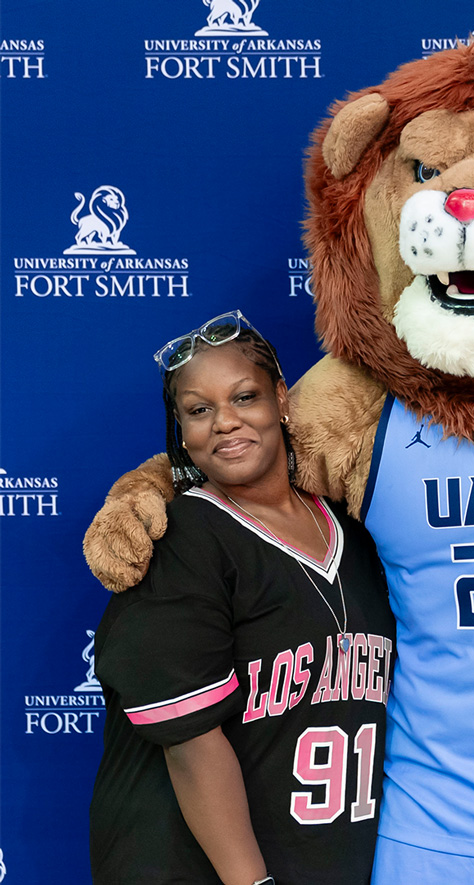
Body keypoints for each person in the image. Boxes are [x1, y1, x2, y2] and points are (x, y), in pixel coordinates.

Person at [90, 311, 395, 885]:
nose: (225, 423)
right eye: (199, 410)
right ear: (181, 430)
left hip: (320, 854)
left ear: (282, 398)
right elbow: (189, 741)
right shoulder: (181, 538)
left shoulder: (353, 532)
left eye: (244, 397)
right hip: (200, 868)